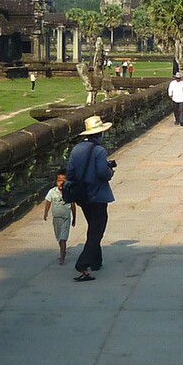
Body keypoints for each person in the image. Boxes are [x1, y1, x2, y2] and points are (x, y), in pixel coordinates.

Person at [66, 115, 115, 281]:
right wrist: (110, 172)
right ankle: (83, 262)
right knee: (98, 228)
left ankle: (96, 261)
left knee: (93, 226)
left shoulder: (76, 149)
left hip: (82, 195)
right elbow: (102, 173)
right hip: (97, 195)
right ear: (99, 134)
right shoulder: (99, 150)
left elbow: (70, 173)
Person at [41, 170, 72, 265]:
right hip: (56, 218)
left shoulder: (69, 191)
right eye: (59, 180)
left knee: (63, 238)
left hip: (66, 218)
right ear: (56, 181)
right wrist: (45, 213)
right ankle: (62, 250)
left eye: (63, 180)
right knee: (59, 237)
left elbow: (73, 205)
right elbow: (48, 202)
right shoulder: (52, 192)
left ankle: (62, 256)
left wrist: (74, 217)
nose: (61, 182)